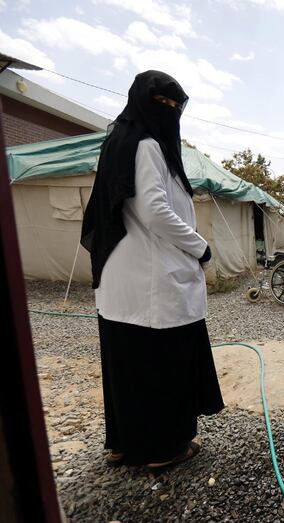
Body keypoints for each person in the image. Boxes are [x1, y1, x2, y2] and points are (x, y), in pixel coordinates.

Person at [81, 71, 224, 468]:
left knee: (127, 367)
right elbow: (154, 210)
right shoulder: (146, 145)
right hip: (151, 276)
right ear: (144, 103)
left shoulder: (119, 143)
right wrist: (200, 247)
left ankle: (124, 443)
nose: (171, 112)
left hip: (122, 279)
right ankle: (163, 449)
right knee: (161, 367)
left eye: (177, 106)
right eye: (164, 103)